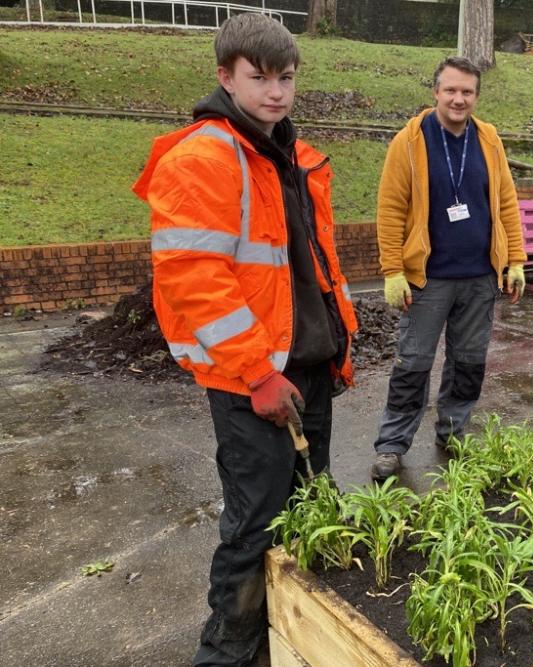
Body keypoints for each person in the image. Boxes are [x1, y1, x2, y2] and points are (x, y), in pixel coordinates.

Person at [132, 14, 357, 666]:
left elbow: (315, 267)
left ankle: (291, 636)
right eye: (259, 78)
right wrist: (257, 372)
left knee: (310, 507)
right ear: (225, 76)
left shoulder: (295, 157)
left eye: (285, 78)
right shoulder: (201, 158)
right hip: (251, 379)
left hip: (309, 368)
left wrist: (338, 348)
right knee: (255, 524)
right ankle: (226, 653)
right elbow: (195, 280)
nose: (276, 91)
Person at [371, 56, 527, 481]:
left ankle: (453, 431)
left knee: (469, 361)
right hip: (428, 279)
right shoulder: (410, 141)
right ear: (435, 91)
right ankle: (391, 445)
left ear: (476, 95)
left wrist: (515, 260)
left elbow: (507, 204)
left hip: (479, 277)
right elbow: (389, 209)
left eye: (467, 92)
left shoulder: (489, 139)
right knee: (413, 363)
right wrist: (392, 270)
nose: (459, 99)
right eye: (451, 90)